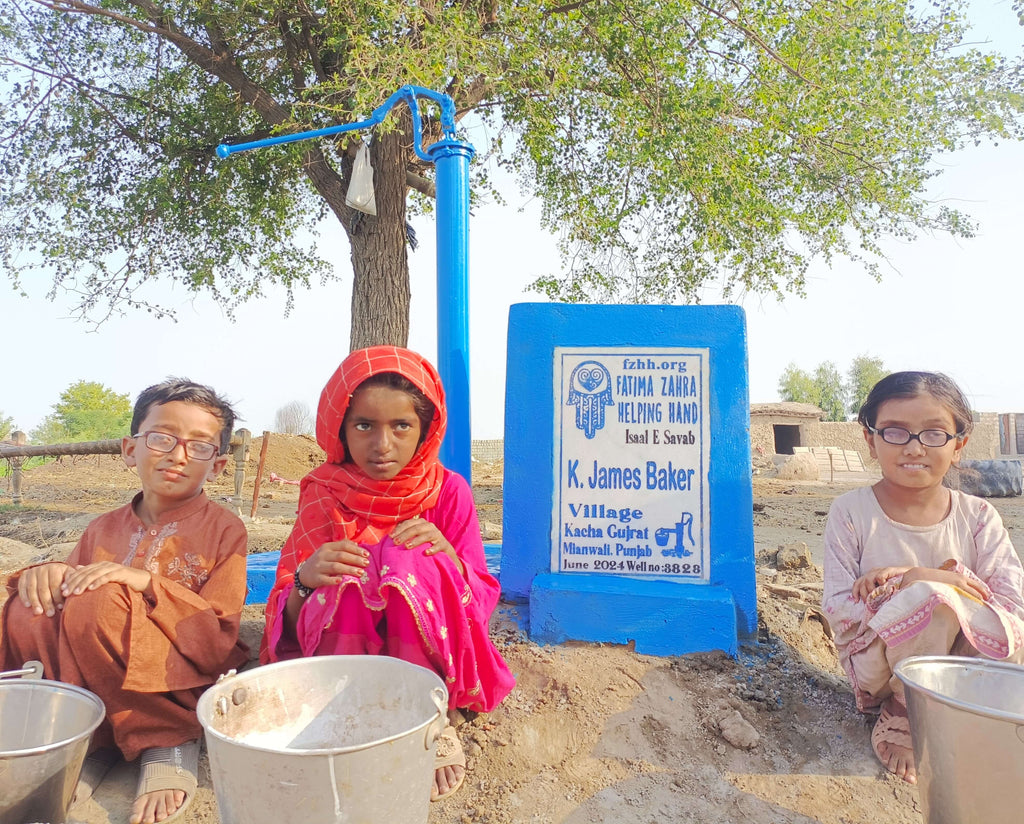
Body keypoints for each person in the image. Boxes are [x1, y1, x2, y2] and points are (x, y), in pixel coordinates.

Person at [261, 346, 515, 802]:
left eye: (401, 426)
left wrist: (449, 562)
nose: (382, 445)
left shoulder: (448, 491)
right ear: (339, 428)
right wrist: (306, 577)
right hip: (341, 660)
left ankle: (434, 718)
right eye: (364, 426)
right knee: (348, 571)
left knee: (409, 557)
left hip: (427, 650)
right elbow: (289, 610)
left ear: (425, 429)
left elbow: (478, 599)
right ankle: (346, 711)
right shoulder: (323, 493)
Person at [0, 379, 249, 823]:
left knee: (97, 601)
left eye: (200, 446)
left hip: (174, 675)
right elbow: (62, 608)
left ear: (217, 466)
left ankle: (165, 738)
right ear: (129, 449)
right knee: (29, 605)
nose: (178, 455)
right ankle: (90, 738)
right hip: (91, 673)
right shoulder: (100, 528)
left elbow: (218, 635)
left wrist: (145, 583)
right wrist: (48, 572)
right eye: (161, 437)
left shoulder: (225, 530)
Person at [822, 371, 1024, 785]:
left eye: (933, 434)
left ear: (958, 444)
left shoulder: (978, 517)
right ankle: (905, 709)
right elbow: (839, 613)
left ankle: (960, 706)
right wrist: (911, 587)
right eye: (896, 432)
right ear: (869, 439)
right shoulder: (851, 513)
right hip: (881, 669)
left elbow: (1011, 603)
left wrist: (935, 578)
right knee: (929, 599)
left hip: (964, 667)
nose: (914, 448)